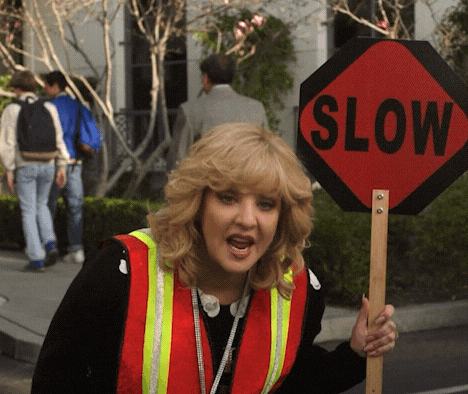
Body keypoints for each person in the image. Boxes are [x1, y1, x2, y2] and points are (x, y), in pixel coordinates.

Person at [32, 123, 397, 393]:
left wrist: (355, 354)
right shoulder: (120, 273)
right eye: (228, 198)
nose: (247, 219)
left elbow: (290, 381)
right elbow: (55, 382)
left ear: (284, 216)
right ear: (198, 202)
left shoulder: (299, 289)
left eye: (266, 204)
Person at [0, 70, 69, 272]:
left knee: (28, 210)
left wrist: (9, 169)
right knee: (42, 205)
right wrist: (62, 165)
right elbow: (58, 136)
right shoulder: (48, 106)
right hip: (48, 163)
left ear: (15, 87)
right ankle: (49, 242)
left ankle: (35, 258)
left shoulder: (12, 109)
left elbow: (7, 143)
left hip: (25, 165)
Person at [167, 53, 268, 170]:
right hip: (249, 184)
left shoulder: (190, 110)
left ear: (205, 78)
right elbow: (267, 154)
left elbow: (178, 161)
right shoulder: (256, 108)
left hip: (208, 184)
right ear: (232, 79)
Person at [43, 71, 101, 265]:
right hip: (75, 164)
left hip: (53, 163)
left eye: (46, 85)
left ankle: (47, 246)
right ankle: (76, 249)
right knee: (75, 207)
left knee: (47, 207)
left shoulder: (48, 107)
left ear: (53, 86)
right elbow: (92, 136)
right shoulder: (78, 107)